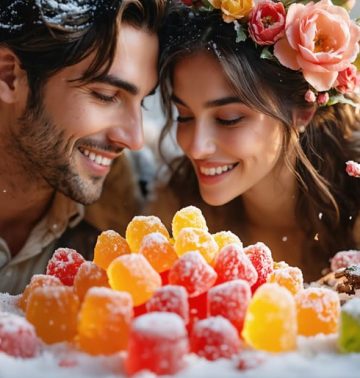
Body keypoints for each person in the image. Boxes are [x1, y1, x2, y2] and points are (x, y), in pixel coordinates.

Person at [148, 0, 360, 281]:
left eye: (228, 119)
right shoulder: (176, 217)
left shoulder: (355, 209)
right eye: (184, 116)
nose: (197, 147)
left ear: (302, 112)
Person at [0, 0, 168, 295]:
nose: (133, 138)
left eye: (142, 102)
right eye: (105, 95)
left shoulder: (143, 203)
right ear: (9, 76)